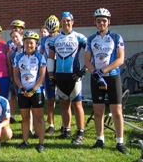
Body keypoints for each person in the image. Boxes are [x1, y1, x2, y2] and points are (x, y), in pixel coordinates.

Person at [84, 8, 129, 154]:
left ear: (108, 22)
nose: (101, 23)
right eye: (98, 21)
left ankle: (119, 142)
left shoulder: (116, 38)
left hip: (112, 76)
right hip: (96, 78)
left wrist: (103, 71)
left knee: (116, 111)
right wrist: (95, 74)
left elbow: (120, 59)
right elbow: (87, 61)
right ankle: (100, 139)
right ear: (95, 22)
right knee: (98, 111)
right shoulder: (91, 39)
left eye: (104, 20)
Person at [47, 12, 87, 145]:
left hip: (74, 76)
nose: (66, 23)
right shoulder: (55, 39)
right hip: (60, 76)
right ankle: (66, 130)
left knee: (77, 104)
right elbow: (50, 58)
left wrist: (84, 70)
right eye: (63, 21)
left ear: (72, 22)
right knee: (64, 104)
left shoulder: (80, 37)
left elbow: (90, 53)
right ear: (60, 22)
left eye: (68, 20)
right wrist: (51, 76)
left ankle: (81, 132)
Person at [14, 31, 46, 153]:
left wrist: (33, 89)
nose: (29, 45)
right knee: (25, 118)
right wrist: (21, 88)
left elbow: (42, 76)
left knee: (39, 118)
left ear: (36, 44)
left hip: (36, 91)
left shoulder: (40, 57)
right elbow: (16, 75)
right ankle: (25, 141)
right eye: (26, 43)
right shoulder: (18, 57)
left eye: (31, 43)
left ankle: (41, 143)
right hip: (22, 91)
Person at [39, 15, 60, 134]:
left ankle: (65, 125)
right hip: (48, 70)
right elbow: (41, 53)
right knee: (50, 98)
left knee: (64, 99)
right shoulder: (44, 40)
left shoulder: (62, 37)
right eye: (50, 31)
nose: (51, 33)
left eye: (54, 31)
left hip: (61, 69)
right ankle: (51, 123)